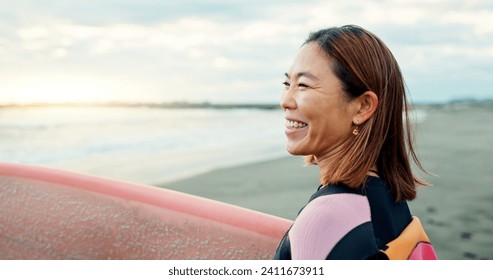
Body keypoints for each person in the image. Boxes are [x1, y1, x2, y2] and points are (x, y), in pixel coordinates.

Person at [274, 25, 437, 260]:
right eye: (287, 84)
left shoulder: (325, 219)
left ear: (362, 107)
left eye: (303, 85)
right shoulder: (388, 200)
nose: (286, 101)